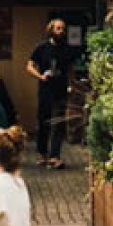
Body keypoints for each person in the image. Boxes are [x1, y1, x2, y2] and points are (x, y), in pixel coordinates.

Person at [26, 19, 77, 169]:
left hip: (61, 90)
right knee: (43, 122)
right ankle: (42, 154)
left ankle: (55, 156)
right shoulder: (41, 48)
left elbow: (71, 69)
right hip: (45, 90)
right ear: (51, 30)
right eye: (58, 28)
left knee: (59, 122)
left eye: (63, 28)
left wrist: (71, 84)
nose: (61, 31)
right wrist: (40, 76)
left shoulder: (67, 49)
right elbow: (29, 66)